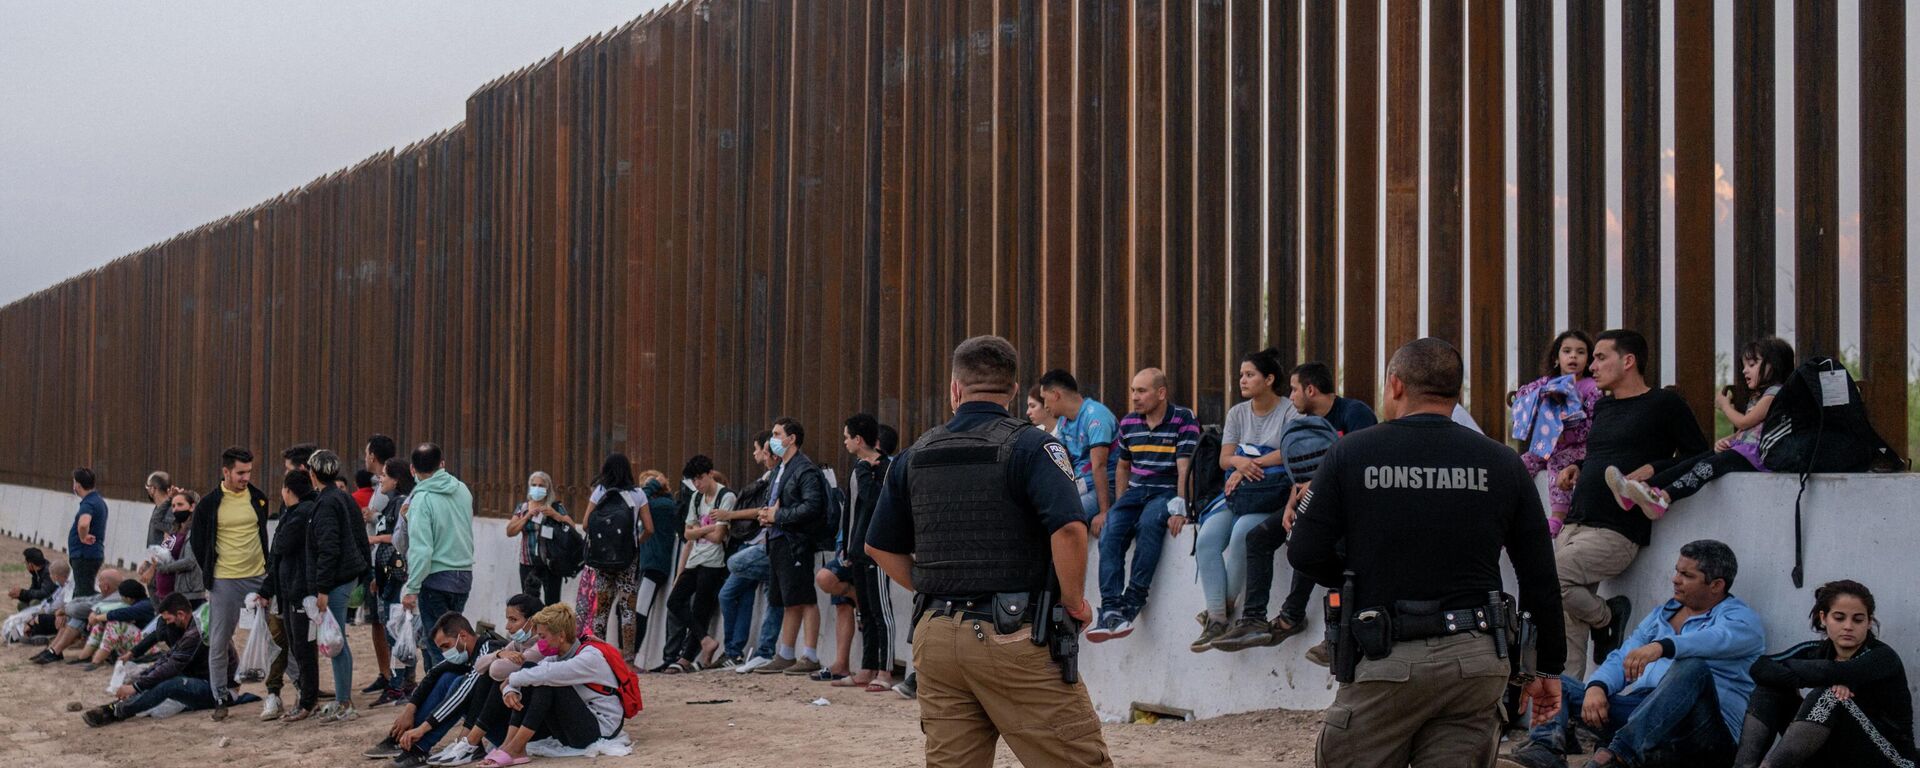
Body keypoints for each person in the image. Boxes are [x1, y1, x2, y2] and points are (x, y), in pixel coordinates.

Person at [1287, 337, 1565, 767]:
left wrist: (1358, 574)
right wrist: (1547, 667)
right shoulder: (1501, 462)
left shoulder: (1352, 453)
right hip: (1476, 663)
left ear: (1395, 385)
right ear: (1457, 393)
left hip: (1386, 656)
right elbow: (1540, 575)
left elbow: (1304, 552)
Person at [865, 335, 1111, 767]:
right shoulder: (1034, 446)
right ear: (1015, 390)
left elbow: (878, 546)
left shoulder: (914, 455)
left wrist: (930, 584)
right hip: (1014, 634)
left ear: (955, 389)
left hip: (935, 637)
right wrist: (1074, 603)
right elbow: (1070, 530)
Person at [1506, 540, 1765, 768]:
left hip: (1702, 734)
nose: (1675, 579)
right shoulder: (1663, 614)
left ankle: (1618, 755)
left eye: (1687, 575)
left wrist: (1662, 646)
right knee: (1556, 682)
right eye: (1677, 570)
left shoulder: (1741, 620)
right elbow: (1624, 656)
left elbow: (1714, 640)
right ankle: (1546, 751)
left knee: (1692, 667)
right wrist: (1597, 686)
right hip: (1646, 716)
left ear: (1716, 585)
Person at [1557, 329, 1710, 676]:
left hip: (1616, 529)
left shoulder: (1665, 404)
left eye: (1600, 357)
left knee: (1550, 579)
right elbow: (1606, 455)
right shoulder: (1605, 406)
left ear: (1628, 361)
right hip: (1576, 522)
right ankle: (1564, 716)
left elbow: (1700, 456)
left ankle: (1607, 616)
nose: (1591, 366)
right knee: (1565, 619)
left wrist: (1656, 468)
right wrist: (1578, 467)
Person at [1608, 336, 1795, 519]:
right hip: (1743, 450)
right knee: (1691, 462)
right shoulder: (1759, 397)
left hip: (1755, 457)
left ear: (1773, 365)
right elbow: (1746, 431)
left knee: (1706, 467)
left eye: (1752, 365)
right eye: (1744, 365)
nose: (1745, 371)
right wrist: (1729, 440)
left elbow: (1744, 422)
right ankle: (1637, 490)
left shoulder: (1775, 394)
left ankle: (1663, 498)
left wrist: (1725, 406)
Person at [1733, 580, 1915, 768]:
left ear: (1869, 622)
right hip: (1834, 753)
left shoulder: (1882, 656)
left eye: (1858, 619)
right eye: (1839, 617)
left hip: (1888, 759)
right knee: (1770, 689)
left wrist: (1824, 677)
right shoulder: (1815, 651)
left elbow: (1832, 671)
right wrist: (1814, 678)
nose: (1848, 626)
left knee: (1829, 695)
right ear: (1823, 618)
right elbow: (1761, 667)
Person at [1191, 349, 1300, 651]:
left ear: (1269, 379)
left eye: (1250, 374)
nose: (1243, 380)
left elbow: (1290, 451)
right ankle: (1218, 618)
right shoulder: (1237, 413)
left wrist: (1252, 464)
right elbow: (1225, 458)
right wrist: (1239, 465)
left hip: (1269, 494)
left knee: (1242, 535)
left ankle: (1217, 612)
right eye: (1241, 374)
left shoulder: (1289, 410)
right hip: (1238, 494)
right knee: (1207, 540)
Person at [1202, 416, 1337, 653]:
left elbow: (1351, 467)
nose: (1292, 397)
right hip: (1306, 498)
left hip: (1339, 499)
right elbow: (1296, 477)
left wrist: (1318, 484)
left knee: (1310, 545)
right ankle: (1253, 619)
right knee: (1257, 537)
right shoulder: (1300, 424)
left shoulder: (1350, 414)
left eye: (1295, 390)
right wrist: (1290, 504)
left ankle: (1313, 626)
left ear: (1311, 390)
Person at [1086, 367, 1198, 642]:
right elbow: (1123, 466)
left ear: (1161, 393)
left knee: (1150, 525)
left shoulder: (1183, 419)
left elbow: (1186, 468)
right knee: (1111, 530)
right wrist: (1121, 503)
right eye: (1133, 391)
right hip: (1137, 491)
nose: (1135, 397)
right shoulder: (1128, 423)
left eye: (1141, 391)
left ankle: (1133, 600)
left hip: (1167, 490)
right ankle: (1111, 608)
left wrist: (1182, 508)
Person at [477, 603, 629, 767]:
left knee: (545, 682)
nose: (539, 642)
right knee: (531, 670)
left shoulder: (589, 657)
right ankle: (509, 745)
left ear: (561, 636)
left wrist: (510, 681)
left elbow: (547, 674)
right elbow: (534, 671)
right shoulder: (556, 657)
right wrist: (509, 689)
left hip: (600, 729)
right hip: (571, 727)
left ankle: (515, 748)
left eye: (542, 637)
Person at [189, 445, 272, 720]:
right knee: (219, 640)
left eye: (248, 472)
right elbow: (198, 543)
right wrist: (212, 572)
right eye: (240, 472)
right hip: (224, 579)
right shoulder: (209, 504)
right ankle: (220, 696)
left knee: (278, 632)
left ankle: (282, 689)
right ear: (225, 471)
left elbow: (262, 535)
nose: (245, 477)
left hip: (259, 576)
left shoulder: (258, 498)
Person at [364, 611, 507, 768]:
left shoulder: (490, 649)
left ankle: (419, 745)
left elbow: (463, 694)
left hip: (508, 732)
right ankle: (407, 741)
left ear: (463, 636)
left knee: (460, 683)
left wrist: (423, 728)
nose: (445, 653)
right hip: (486, 724)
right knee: (446, 677)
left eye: (446, 646)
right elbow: (434, 673)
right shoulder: (467, 652)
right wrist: (409, 710)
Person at [422, 594, 549, 767]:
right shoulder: (518, 645)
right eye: (507, 619)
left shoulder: (540, 647)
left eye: (513, 620)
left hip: (533, 728)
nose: (507, 626)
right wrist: (499, 654)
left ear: (532, 621)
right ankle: (468, 742)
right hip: (515, 722)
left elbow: (495, 670)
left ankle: (471, 742)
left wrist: (496, 657)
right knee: (475, 677)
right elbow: (478, 666)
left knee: (491, 676)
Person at [751, 417, 834, 676]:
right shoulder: (780, 469)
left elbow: (811, 506)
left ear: (792, 439)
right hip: (776, 540)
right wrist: (766, 515)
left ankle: (809, 654)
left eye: (777, 434)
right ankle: (785, 653)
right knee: (787, 600)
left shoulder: (805, 469)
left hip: (795, 542)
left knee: (804, 597)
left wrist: (779, 516)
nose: (772, 440)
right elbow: (775, 501)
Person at [82, 593, 219, 726]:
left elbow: (171, 666)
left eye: (168, 620)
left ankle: (119, 711)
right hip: (203, 680)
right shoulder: (189, 628)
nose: (168, 624)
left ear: (181, 615)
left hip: (217, 690)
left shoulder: (194, 634)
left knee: (169, 684)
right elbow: (167, 658)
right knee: (155, 678)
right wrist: (142, 679)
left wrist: (136, 687)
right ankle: (118, 706)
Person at [1512, 330, 1601, 535]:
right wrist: (1541, 394)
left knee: (1556, 464)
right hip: (1548, 444)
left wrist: (1568, 435)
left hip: (1577, 447)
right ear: (1556, 357)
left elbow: (1591, 421)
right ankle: (1513, 506)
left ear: (1588, 359)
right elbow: (1522, 394)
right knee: (1523, 462)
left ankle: (1558, 517)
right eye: (1567, 351)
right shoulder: (1546, 382)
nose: (1573, 356)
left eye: (1580, 352)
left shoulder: (1590, 387)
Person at [833, 413, 898, 692]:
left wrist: (864, 471)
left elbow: (875, 502)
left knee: (882, 611)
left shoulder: (884, 467)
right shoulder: (859, 467)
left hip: (879, 552)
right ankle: (866, 668)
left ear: (858, 440)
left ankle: (885, 670)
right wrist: (847, 546)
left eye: (847, 437)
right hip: (858, 550)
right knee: (866, 611)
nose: (845, 442)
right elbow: (851, 511)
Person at [310, 448, 374, 722]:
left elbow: (329, 547)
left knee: (336, 641)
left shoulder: (326, 503)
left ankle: (344, 701)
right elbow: (360, 535)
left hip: (335, 580)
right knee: (339, 640)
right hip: (350, 575)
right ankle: (343, 699)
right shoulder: (344, 498)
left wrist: (322, 588)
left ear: (313, 473)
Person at [403, 442, 477, 670]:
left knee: (439, 646)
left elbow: (421, 549)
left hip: (435, 579)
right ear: (442, 464)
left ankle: (445, 696)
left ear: (412, 469)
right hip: (463, 575)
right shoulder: (462, 489)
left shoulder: (421, 500)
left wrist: (412, 587)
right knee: (457, 643)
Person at [661, 455, 734, 673]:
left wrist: (699, 532)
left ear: (710, 474)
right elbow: (687, 534)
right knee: (674, 601)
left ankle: (686, 658)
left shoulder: (725, 496)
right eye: (694, 481)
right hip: (695, 560)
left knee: (701, 609)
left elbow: (719, 536)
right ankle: (704, 640)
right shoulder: (695, 498)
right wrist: (707, 529)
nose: (697, 484)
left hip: (714, 562)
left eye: (700, 479)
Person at [261, 469, 322, 722]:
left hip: (300, 591)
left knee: (302, 648)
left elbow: (282, 545)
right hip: (289, 589)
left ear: (288, 491)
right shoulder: (298, 512)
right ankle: (305, 697)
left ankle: (307, 700)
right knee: (297, 646)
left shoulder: (301, 514)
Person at [721, 432, 786, 671]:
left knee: (736, 566)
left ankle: (760, 651)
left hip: (769, 544)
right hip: (762, 543)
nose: (757, 454)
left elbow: (765, 510)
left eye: (760, 449)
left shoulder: (783, 475)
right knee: (734, 593)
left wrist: (730, 516)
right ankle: (737, 651)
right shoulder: (771, 477)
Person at [577, 453, 650, 657]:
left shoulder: (599, 492)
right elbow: (649, 528)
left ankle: (598, 654)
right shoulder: (638, 494)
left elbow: (585, 524)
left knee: (601, 609)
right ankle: (628, 659)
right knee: (627, 609)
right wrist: (635, 543)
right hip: (628, 559)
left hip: (601, 559)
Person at [1038, 368, 1119, 525]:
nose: (1045, 406)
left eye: (1045, 399)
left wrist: (1104, 512)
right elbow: (1059, 461)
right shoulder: (1064, 421)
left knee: (1064, 518)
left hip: (1103, 488)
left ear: (1055, 395)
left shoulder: (1095, 416)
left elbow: (1099, 466)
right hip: (1079, 487)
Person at [371, 456, 420, 706]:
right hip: (386, 575)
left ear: (397, 480)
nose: (381, 479)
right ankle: (402, 682)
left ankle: (400, 684)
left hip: (398, 576)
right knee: (395, 631)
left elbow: (400, 537)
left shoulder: (403, 503)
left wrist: (377, 540)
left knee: (397, 633)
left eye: (385, 476)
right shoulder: (391, 504)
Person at [632, 469, 680, 666]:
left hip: (654, 565)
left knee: (640, 611)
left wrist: (653, 485)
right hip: (647, 564)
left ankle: (632, 657)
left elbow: (639, 501)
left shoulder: (661, 505)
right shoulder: (656, 505)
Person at [506, 471, 574, 608]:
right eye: (534, 485)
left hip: (551, 563)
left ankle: (550, 629)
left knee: (552, 603)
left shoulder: (556, 507)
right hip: (528, 562)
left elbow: (572, 528)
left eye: (541, 485)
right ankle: (532, 629)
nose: (537, 488)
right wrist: (526, 517)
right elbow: (510, 531)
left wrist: (556, 516)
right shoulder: (523, 508)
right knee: (529, 602)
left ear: (548, 488)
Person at [34, 566, 122, 664]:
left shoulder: (113, 599)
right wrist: (64, 611)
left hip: (111, 640)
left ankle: (55, 651)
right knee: (71, 615)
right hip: (99, 633)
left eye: (100, 581)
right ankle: (52, 649)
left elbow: (76, 609)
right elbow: (81, 600)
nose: (98, 584)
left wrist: (63, 610)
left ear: (106, 586)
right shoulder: (107, 594)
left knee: (77, 616)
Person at [149, 490, 205, 606]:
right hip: (164, 591)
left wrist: (164, 568)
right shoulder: (174, 529)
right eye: (173, 506)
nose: (175, 509)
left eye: (180, 505)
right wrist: (169, 499)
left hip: (184, 592)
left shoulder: (195, 531)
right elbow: (156, 520)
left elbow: (189, 562)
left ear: (192, 507)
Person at [68, 467, 108, 604]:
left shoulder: (89, 503)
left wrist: (82, 537)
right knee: (81, 590)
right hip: (90, 554)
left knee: (83, 595)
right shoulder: (98, 501)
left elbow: (84, 524)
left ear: (77, 485)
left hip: (84, 555)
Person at [10, 547, 55, 611]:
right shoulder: (37, 572)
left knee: (34, 603)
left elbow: (44, 593)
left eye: (26, 563)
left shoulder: (48, 572)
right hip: (45, 601)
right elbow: (33, 591)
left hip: (52, 604)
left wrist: (22, 593)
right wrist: (20, 595)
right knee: (22, 604)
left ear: (31, 564)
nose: (26, 565)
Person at [144, 470, 177, 548]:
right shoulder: (159, 508)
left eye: (148, 487)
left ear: (152, 489)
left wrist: (161, 558)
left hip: (162, 558)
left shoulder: (170, 511)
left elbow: (170, 540)